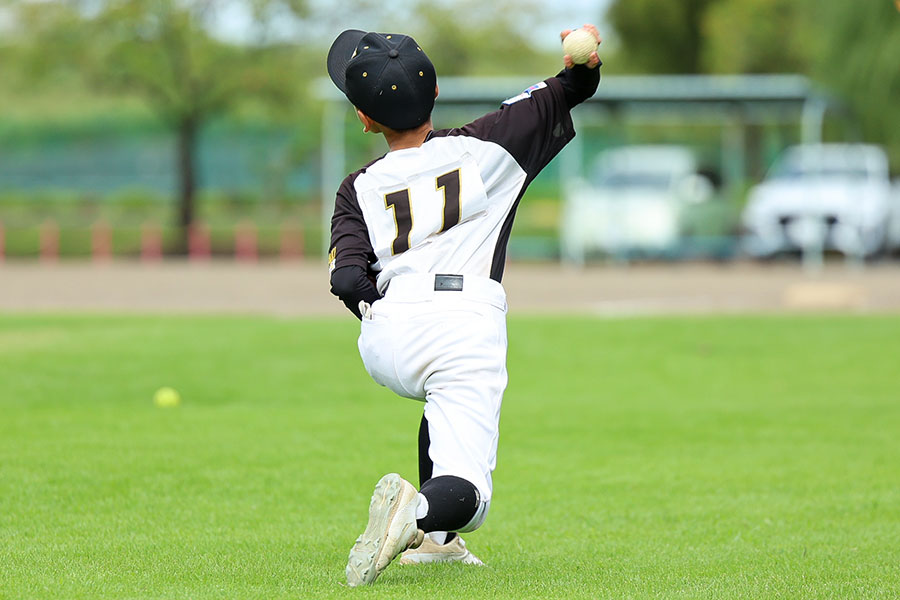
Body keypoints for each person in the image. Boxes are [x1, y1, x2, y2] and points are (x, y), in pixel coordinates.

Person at [326, 25, 601, 587]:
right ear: (435, 94)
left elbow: (348, 278)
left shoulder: (357, 187)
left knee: (437, 398)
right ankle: (422, 516)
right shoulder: (489, 145)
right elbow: (571, 87)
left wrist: (388, 314)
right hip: (462, 322)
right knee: (468, 494)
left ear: (364, 117)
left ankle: (437, 546)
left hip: (386, 332)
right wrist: (586, 60)